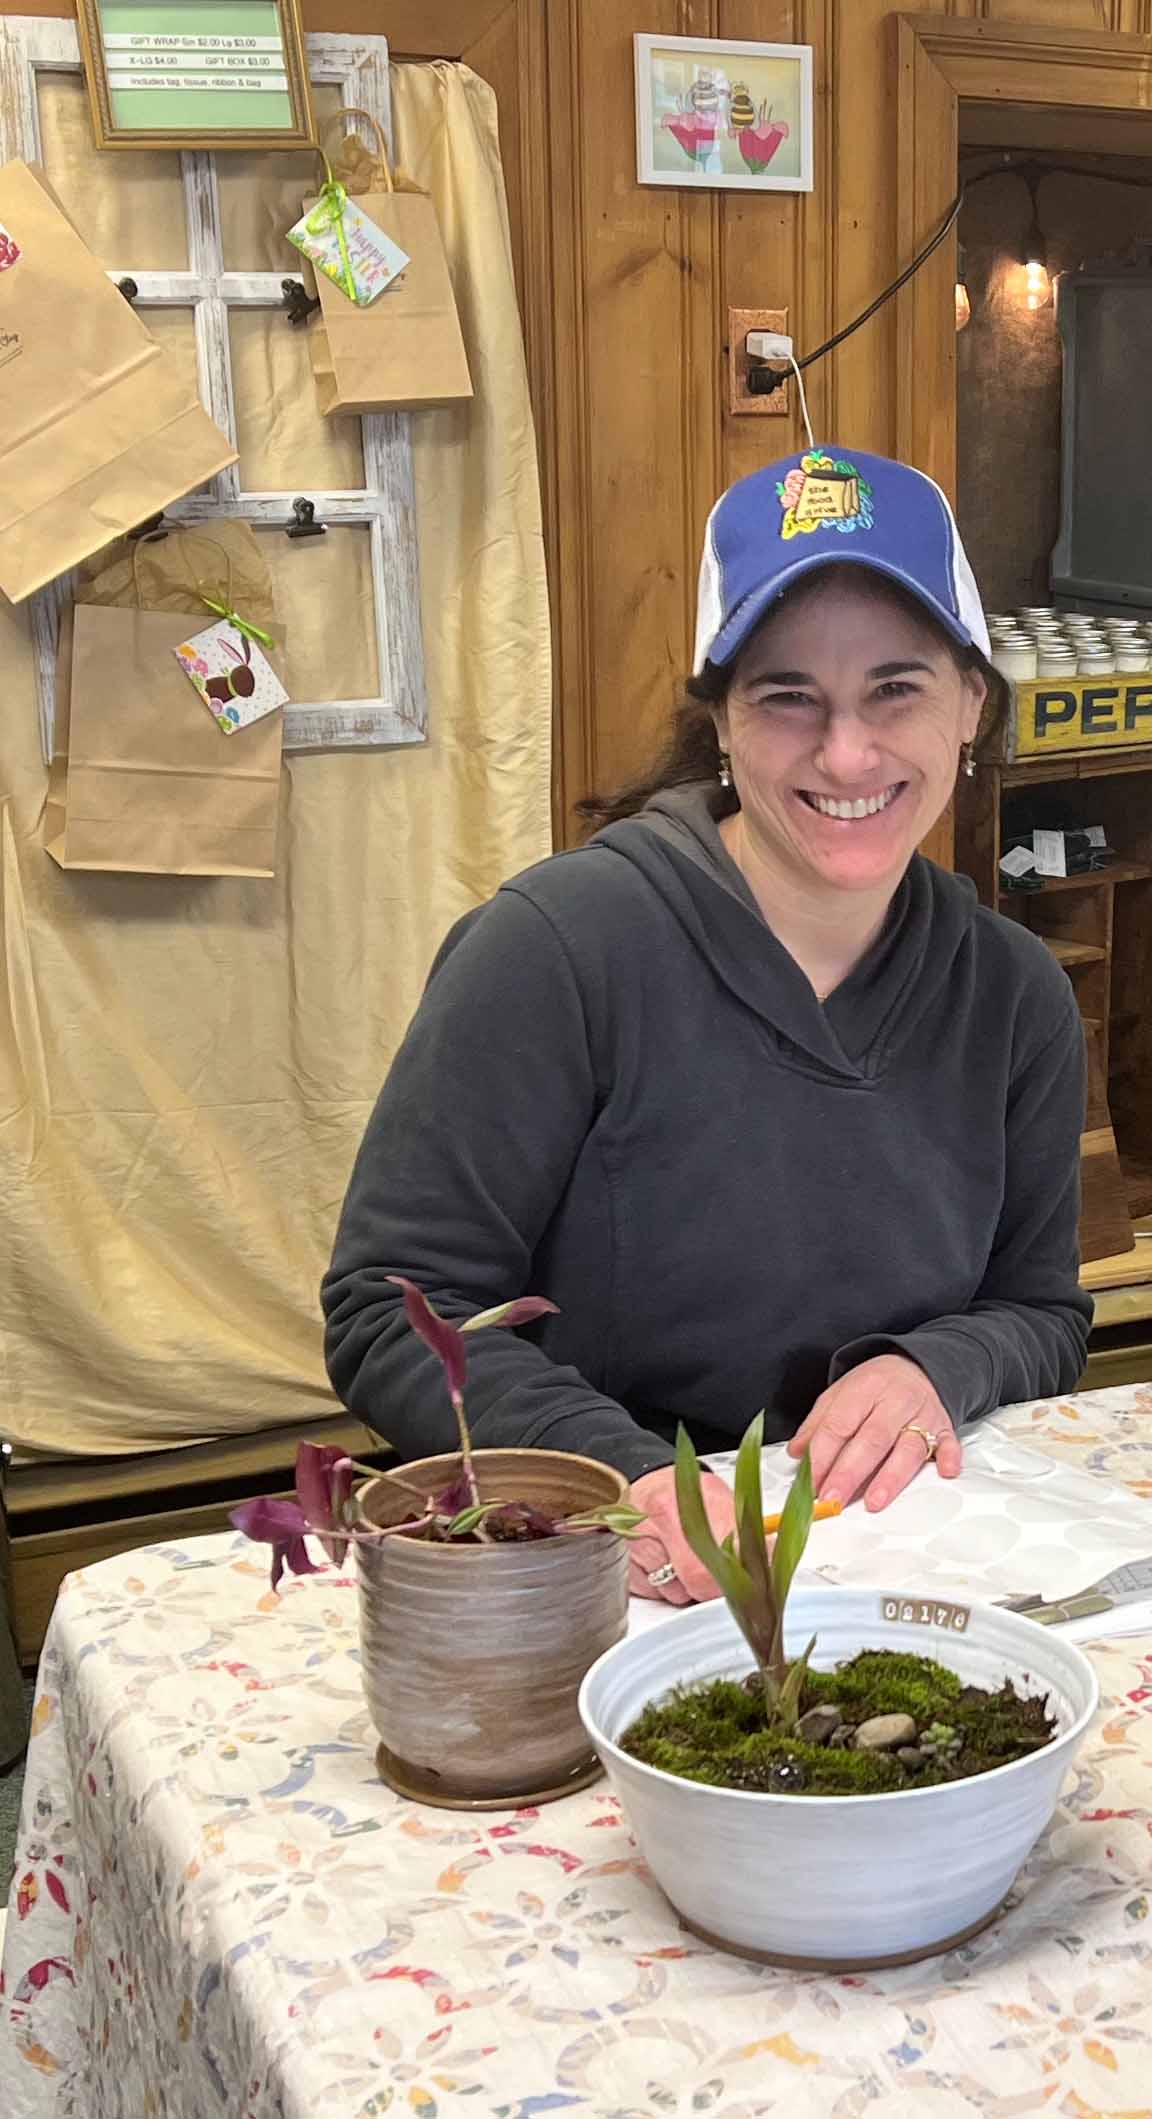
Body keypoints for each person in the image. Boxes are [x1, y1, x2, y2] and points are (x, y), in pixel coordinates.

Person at [322, 446, 1091, 1605]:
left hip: (897, 1553)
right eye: (788, 696)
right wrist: (619, 1474)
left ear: (971, 704)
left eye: (896, 688)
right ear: (721, 722)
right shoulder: (558, 949)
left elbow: (1040, 1311)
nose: (846, 751)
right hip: (591, 1559)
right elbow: (392, 1310)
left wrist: (939, 1365)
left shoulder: (1014, 991)